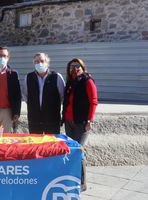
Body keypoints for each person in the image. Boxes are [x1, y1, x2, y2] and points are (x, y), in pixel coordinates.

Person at [62, 58, 98, 191]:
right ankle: (72, 179)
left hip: (81, 123)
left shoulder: (87, 81)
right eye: (72, 66)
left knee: (78, 151)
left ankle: (82, 182)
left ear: (82, 67)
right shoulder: (71, 82)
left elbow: (93, 101)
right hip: (69, 121)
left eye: (77, 66)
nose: (75, 68)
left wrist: (90, 120)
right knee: (71, 151)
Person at [22, 53, 65, 134]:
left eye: (42, 61)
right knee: (35, 144)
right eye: (36, 61)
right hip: (34, 119)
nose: (39, 63)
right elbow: (25, 96)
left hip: (52, 119)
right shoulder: (28, 77)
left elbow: (62, 96)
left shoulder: (56, 77)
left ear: (47, 63)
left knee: (51, 144)